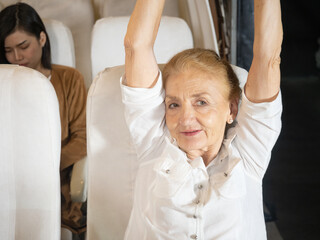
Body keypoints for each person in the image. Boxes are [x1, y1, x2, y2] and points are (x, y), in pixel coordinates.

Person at [121, 0, 283, 239]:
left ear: (231, 109)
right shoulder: (154, 145)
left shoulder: (249, 153)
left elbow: (268, 57)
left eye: (201, 102)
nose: (185, 118)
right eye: (174, 104)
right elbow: (136, 46)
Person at [0, 3, 87, 237]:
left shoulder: (70, 79)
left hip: (58, 184)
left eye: (23, 46)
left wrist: (44, 169)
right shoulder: (3, 84)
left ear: (41, 38)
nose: (16, 57)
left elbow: (83, 137)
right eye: (8, 50)